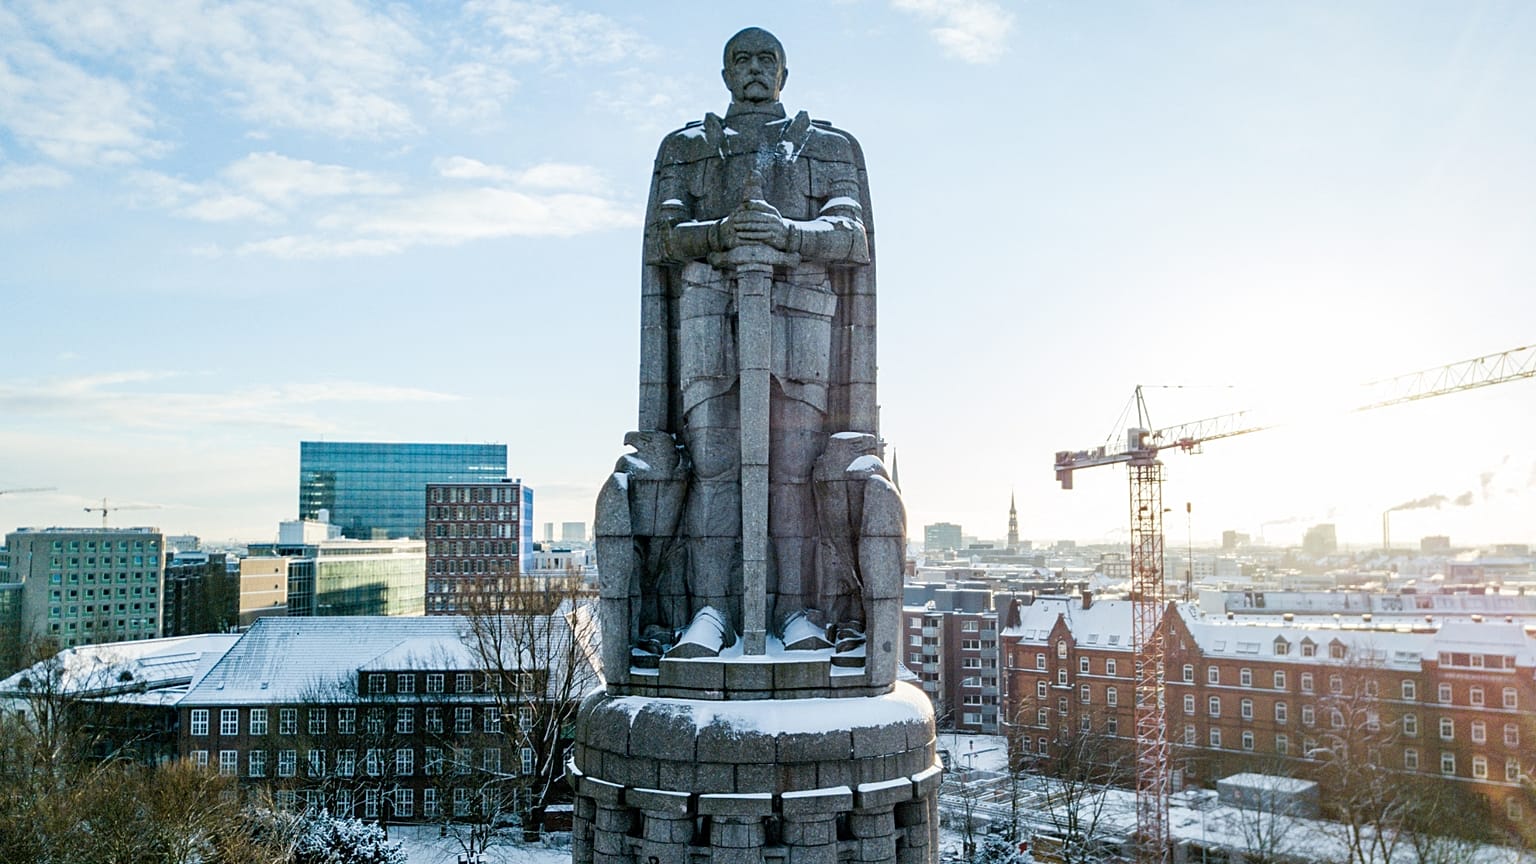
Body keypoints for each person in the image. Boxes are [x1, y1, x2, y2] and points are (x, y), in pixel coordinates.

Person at [635, 26, 879, 644]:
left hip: (800, 329)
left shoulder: (828, 147)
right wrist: (720, 232)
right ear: (725, 75)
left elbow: (851, 236)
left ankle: (798, 613)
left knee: (793, 474)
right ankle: (710, 612)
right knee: (715, 470)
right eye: (740, 60)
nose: (753, 68)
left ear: (784, 73)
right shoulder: (686, 149)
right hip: (709, 325)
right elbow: (663, 239)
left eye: (766, 59)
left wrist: (788, 235)